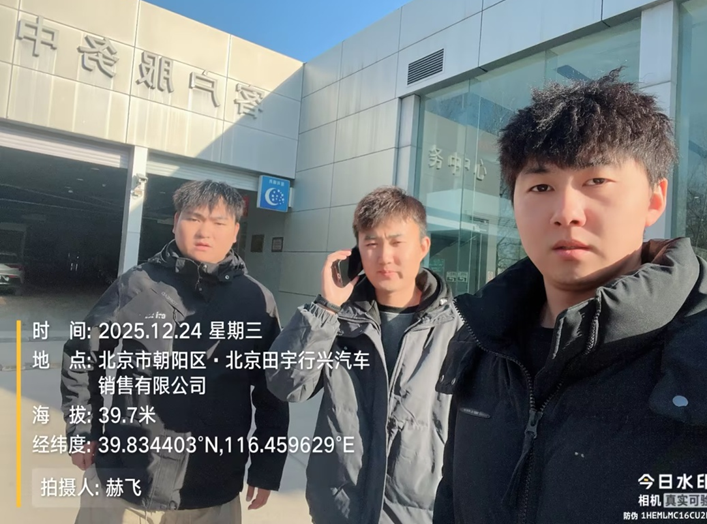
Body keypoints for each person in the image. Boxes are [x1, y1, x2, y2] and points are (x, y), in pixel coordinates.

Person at [433, 69, 707, 524]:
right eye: (541, 187)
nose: (566, 213)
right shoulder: (482, 339)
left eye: (596, 181)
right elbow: (451, 500)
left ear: (654, 198)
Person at [61, 180, 289, 524]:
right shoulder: (137, 284)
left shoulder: (256, 301)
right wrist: (82, 430)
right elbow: (83, 357)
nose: (204, 231)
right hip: (123, 478)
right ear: (175, 222)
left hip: (210, 489)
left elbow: (273, 390)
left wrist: (266, 466)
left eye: (218, 222)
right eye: (194, 218)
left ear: (235, 232)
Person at [265, 186, 462, 524]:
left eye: (397, 242)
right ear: (356, 252)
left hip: (420, 514)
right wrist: (326, 305)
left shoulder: (458, 329)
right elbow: (285, 384)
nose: (384, 256)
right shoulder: (335, 321)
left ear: (423, 247)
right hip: (339, 509)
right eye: (371, 243)